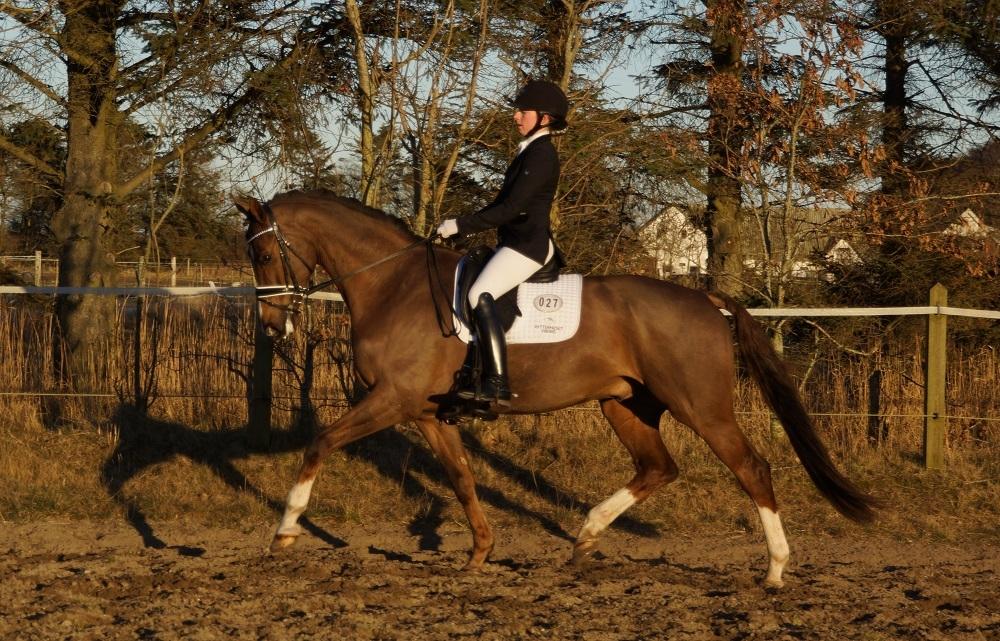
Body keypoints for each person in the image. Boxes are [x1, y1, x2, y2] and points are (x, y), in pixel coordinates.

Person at [436, 79, 569, 410]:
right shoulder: (529, 152)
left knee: (478, 295)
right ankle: (470, 375)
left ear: (545, 118)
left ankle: (497, 384)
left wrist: (461, 224)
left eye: (523, 111)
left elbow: (512, 210)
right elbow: (499, 205)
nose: (516, 117)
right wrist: (460, 228)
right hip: (514, 242)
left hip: (527, 247)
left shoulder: (541, 155)